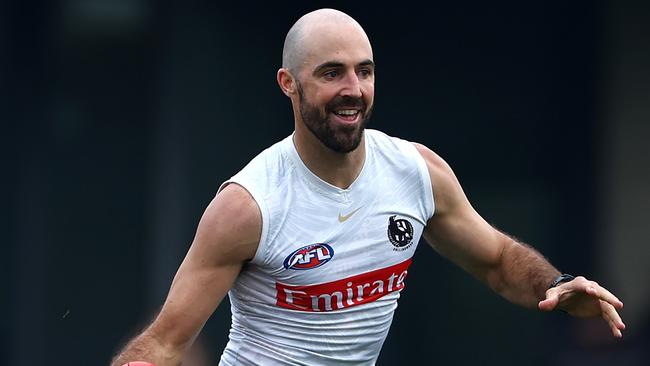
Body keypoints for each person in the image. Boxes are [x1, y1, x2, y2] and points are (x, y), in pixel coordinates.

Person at [110, 8, 625, 366]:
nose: (352, 90)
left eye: (364, 71)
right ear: (289, 84)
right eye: (331, 73)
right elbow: (165, 344)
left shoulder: (414, 170)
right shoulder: (249, 205)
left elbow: (495, 260)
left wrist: (555, 284)